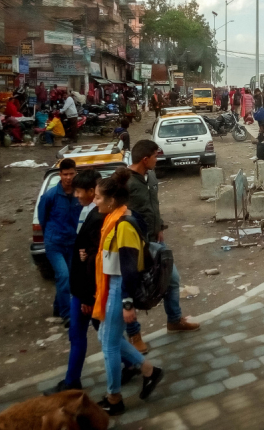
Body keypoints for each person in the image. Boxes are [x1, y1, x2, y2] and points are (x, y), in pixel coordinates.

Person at [92, 169, 164, 415]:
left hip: (119, 288)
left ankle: (114, 398)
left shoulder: (123, 225)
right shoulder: (115, 219)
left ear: (111, 201)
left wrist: (127, 303)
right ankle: (148, 371)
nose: (95, 201)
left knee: (109, 345)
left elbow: (129, 268)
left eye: (98, 197)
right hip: (114, 285)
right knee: (105, 338)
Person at [124, 140, 199, 354]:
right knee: (135, 290)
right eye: (155, 156)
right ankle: (134, 335)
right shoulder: (125, 182)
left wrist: (160, 226)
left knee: (172, 279)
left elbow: (153, 205)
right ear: (145, 159)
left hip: (156, 239)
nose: (158, 160)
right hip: (135, 244)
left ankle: (174, 320)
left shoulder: (152, 176)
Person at [44, 170, 104, 395]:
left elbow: (93, 262)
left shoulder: (96, 216)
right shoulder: (87, 211)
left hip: (86, 292)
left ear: (91, 191)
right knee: (96, 334)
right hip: (83, 290)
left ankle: (140, 366)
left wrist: (87, 296)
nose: (76, 195)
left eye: (79, 191)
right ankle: (72, 381)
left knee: (90, 335)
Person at [37, 158, 82, 325]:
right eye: (65, 174)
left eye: (71, 173)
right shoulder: (50, 196)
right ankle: (67, 314)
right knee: (63, 275)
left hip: (72, 242)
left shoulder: (79, 193)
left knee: (67, 278)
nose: (68, 177)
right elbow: (42, 218)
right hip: (54, 243)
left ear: (75, 173)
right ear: (60, 175)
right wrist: (50, 236)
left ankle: (58, 306)